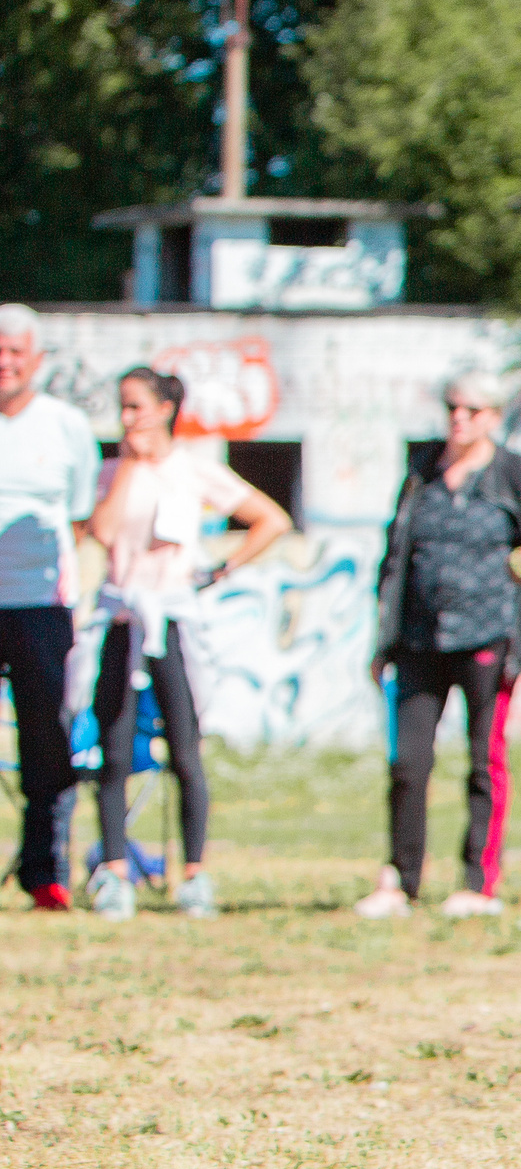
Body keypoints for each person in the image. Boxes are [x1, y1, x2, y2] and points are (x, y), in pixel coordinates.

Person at [358, 372, 521, 919]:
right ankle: (401, 877)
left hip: (490, 636)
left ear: (491, 416)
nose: (458, 419)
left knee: (483, 763)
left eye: (470, 410)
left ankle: (477, 881)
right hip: (419, 638)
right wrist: (383, 639)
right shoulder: (422, 473)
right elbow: (395, 555)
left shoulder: (516, 473)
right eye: (452, 409)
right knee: (408, 764)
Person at [85, 367, 291, 919]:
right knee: (115, 747)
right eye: (122, 408)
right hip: (124, 617)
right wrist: (130, 466)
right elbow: (101, 532)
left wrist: (219, 571)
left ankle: (195, 873)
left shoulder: (194, 472)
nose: (127, 418)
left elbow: (270, 520)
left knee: (185, 748)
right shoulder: (111, 472)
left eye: (136, 407)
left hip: (174, 618)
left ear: (164, 410)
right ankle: (115, 869)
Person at [0, 303, 98, 912]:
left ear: (36, 360)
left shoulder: (65, 426)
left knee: (45, 744)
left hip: (41, 607)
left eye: (14, 352)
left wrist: (80, 604)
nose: (4, 364)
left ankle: (45, 873)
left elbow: (85, 525)